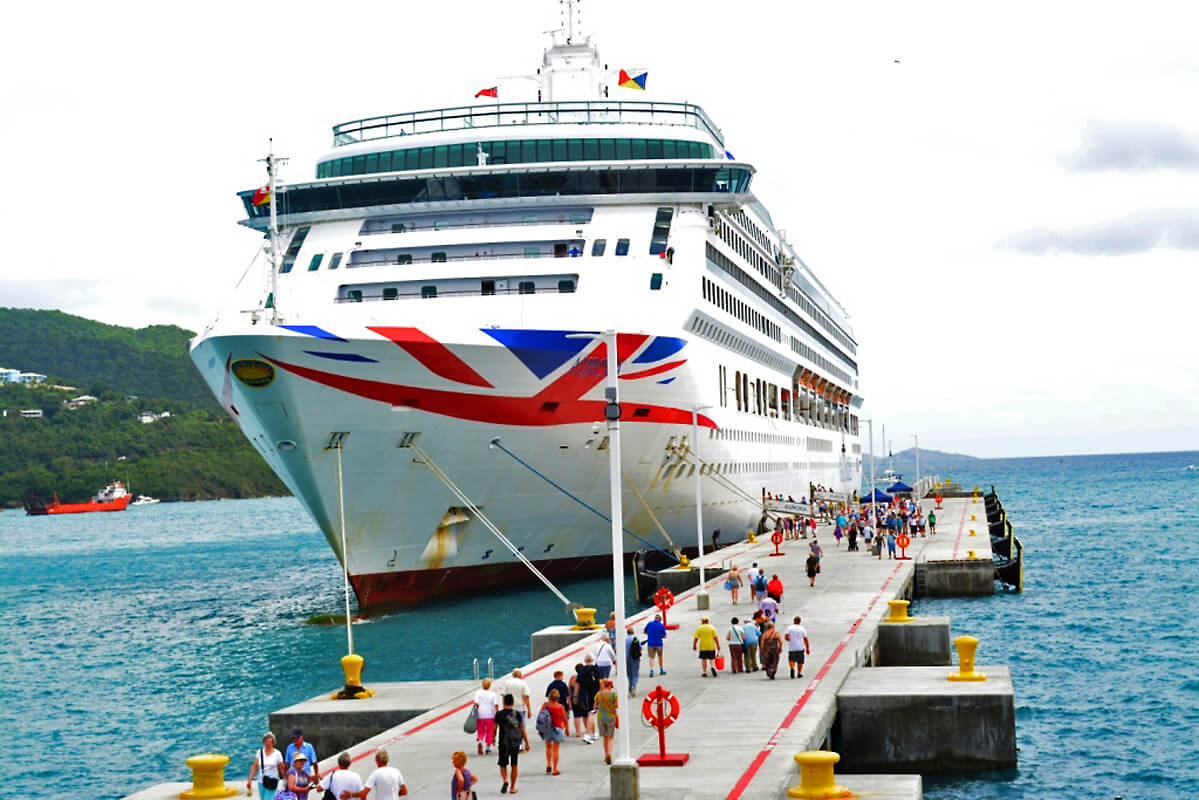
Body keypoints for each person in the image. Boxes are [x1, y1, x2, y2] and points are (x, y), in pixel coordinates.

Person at [494, 693, 522, 794]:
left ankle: (505, 780)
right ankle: (512, 787)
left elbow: (495, 728)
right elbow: (522, 729)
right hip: (514, 742)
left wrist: (493, 738)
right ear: (513, 702)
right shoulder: (517, 714)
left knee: (503, 764)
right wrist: (526, 742)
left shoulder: (499, 714)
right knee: (514, 764)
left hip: (503, 741)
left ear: (503, 702)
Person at [499, 669, 532, 752]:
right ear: (520, 675)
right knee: (521, 728)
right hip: (520, 708)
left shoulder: (507, 683)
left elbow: (503, 695)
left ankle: (508, 743)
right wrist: (529, 709)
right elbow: (526, 697)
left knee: (508, 726)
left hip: (509, 708)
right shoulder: (523, 683)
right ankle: (519, 745)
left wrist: (504, 707)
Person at [247, 731, 286, 800]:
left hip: (273, 780)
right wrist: (250, 779)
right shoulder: (259, 752)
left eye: (270, 742)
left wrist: (285, 780)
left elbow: (281, 767)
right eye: (266, 742)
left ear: (273, 743)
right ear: (264, 742)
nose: (268, 744)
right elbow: (255, 766)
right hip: (261, 780)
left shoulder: (277, 753)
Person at [540, 689, 567, 775]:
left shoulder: (545, 705)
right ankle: (555, 769)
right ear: (558, 698)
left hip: (547, 728)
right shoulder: (561, 707)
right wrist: (567, 728)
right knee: (556, 750)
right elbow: (564, 719)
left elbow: (541, 716)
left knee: (548, 747)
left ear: (549, 697)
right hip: (558, 729)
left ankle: (548, 764)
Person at [574, 656, 600, 742]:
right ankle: (588, 734)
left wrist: (575, 696)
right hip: (594, 695)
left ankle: (593, 733)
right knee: (591, 714)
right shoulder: (596, 668)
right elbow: (600, 682)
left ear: (585, 660)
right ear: (592, 660)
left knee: (587, 714)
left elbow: (577, 684)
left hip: (583, 695)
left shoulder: (582, 670)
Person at [594, 678, 619, 765]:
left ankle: (606, 754)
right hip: (610, 717)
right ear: (609, 685)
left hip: (601, 717)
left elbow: (595, 707)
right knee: (610, 737)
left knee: (605, 737)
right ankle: (609, 753)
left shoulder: (598, 694)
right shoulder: (613, 694)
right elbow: (616, 705)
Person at [473, 677, 499, 755]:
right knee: (489, 731)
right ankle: (488, 748)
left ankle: (480, 741)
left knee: (480, 730)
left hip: (480, 715)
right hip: (490, 715)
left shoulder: (478, 693)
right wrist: (498, 713)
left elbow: (476, 704)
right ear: (490, 685)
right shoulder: (492, 694)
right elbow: (495, 705)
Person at [624, 627, 642, 697]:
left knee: (629, 674)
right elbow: (640, 648)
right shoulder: (636, 639)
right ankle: (633, 686)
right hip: (635, 657)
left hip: (626, 657)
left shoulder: (625, 639)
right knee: (635, 674)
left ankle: (630, 687)